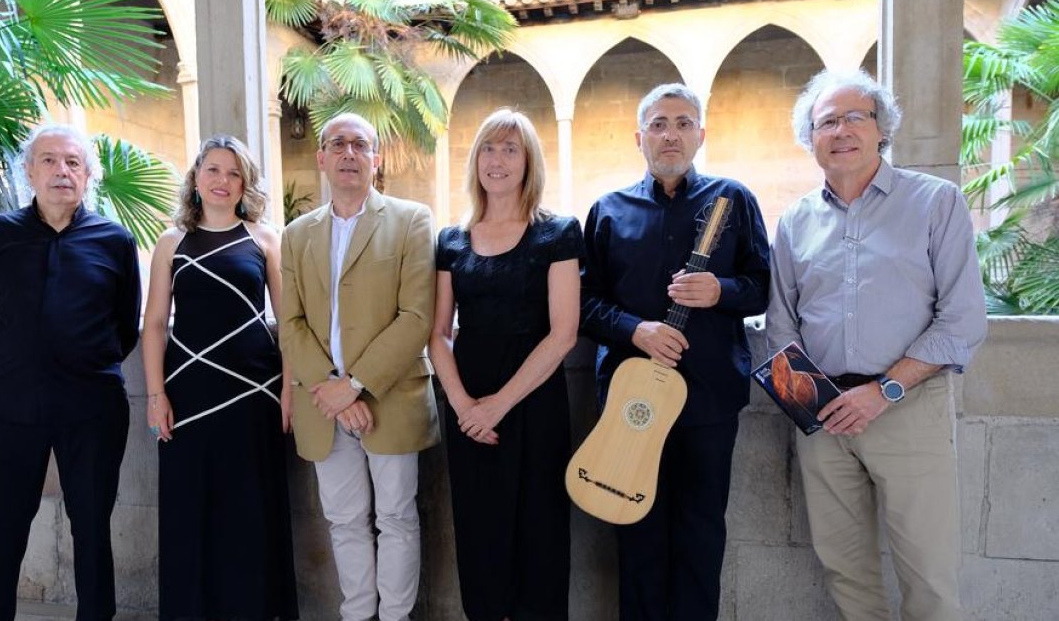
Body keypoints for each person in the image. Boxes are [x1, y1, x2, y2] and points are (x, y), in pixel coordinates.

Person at [768, 69, 987, 621]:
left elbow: (961, 320)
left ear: (881, 128)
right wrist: (813, 403)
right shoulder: (795, 222)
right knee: (845, 573)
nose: (840, 131)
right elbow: (781, 324)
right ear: (810, 138)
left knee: (929, 574)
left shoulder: (936, 203)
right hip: (824, 419)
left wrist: (884, 390)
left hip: (908, 409)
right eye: (826, 122)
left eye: (854, 117)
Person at [580, 84, 771, 621]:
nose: (671, 134)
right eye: (659, 123)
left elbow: (763, 285)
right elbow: (584, 301)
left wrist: (720, 291)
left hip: (708, 401)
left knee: (700, 535)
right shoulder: (608, 210)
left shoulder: (734, 199)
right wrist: (634, 330)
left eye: (684, 123)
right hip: (628, 400)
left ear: (701, 134)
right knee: (634, 532)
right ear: (639, 136)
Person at [0, 123, 141, 620]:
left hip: (92, 409)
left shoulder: (115, 241)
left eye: (72, 162)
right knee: (0, 533)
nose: (61, 171)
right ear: (29, 171)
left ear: (89, 175)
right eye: (48, 160)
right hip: (7, 406)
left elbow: (124, 324)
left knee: (91, 530)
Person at [279, 113, 438, 621]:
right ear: (321, 157)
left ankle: (394, 617)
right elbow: (291, 323)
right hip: (323, 405)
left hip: (389, 398)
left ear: (377, 158)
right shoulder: (297, 234)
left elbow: (416, 317)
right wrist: (332, 388)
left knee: (396, 518)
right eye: (338, 143)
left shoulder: (412, 220)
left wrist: (356, 386)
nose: (349, 153)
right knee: (344, 521)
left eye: (360, 144)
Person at [430, 109, 581, 621]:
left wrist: (498, 406)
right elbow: (437, 334)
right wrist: (464, 407)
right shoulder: (451, 239)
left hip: (534, 405)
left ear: (528, 161)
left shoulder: (558, 232)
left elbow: (563, 333)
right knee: (480, 539)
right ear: (475, 161)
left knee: (539, 538)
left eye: (510, 149)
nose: (498, 160)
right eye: (489, 149)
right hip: (468, 408)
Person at [141, 136, 299, 620]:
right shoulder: (172, 242)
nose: (222, 181)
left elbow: (289, 321)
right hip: (189, 396)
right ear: (196, 178)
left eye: (233, 173)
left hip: (254, 393)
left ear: (245, 183)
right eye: (213, 170)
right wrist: (155, 394)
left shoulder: (265, 238)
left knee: (250, 511)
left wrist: (289, 387)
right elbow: (153, 324)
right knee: (192, 510)